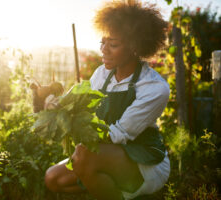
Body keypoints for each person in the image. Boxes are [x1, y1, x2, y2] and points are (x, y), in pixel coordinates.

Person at [44, 1, 170, 199]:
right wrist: (55, 104)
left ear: (135, 47)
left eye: (113, 44)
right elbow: (80, 97)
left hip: (142, 160)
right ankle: (104, 185)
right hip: (101, 154)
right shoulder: (102, 74)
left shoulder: (154, 87)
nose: (104, 49)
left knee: (83, 154)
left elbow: (118, 134)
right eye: (103, 42)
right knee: (53, 178)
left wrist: (75, 127)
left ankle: (121, 188)